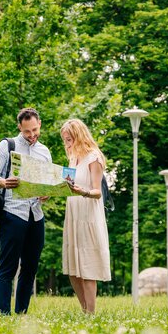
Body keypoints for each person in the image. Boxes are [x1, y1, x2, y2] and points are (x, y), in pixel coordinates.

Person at [0, 108, 51, 314]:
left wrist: (46, 193)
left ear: (39, 123)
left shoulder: (44, 151)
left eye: (34, 130)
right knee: (8, 267)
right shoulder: (7, 146)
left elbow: (47, 182)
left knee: (30, 268)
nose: (32, 135)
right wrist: (3, 182)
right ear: (19, 128)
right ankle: (3, 315)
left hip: (36, 214)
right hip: (13, 213)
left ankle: (21, 313)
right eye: (27, 132)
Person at [60, 119, 111, 313]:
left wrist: (83, 192)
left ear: (79, 136)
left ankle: (91, 312)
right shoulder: (73, 159)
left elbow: (97, 192)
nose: (67, 144)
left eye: (70, 139)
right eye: (65, 140)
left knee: (88, 268)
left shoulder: (93, 157)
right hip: (73, 215)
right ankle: (84, 310)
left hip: (88, 215)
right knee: (73, 270)